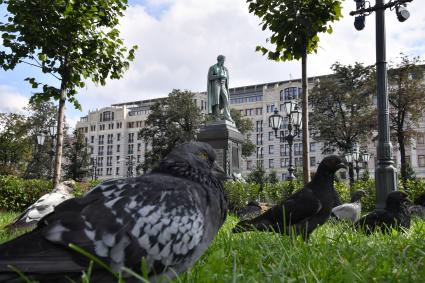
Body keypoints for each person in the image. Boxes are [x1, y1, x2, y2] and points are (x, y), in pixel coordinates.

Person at [207, 55, 233, 122]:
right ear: (219, 60)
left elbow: (227, 79)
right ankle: (217, 117)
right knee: (216, 101)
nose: (223, 62)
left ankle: (227, 116)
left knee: (226, 100)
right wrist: (219, 76)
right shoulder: (213, 67)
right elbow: (210, 77)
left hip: (223, 85)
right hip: (216, 84)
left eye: (224, 61)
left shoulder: (225, 69)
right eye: (223, 60)